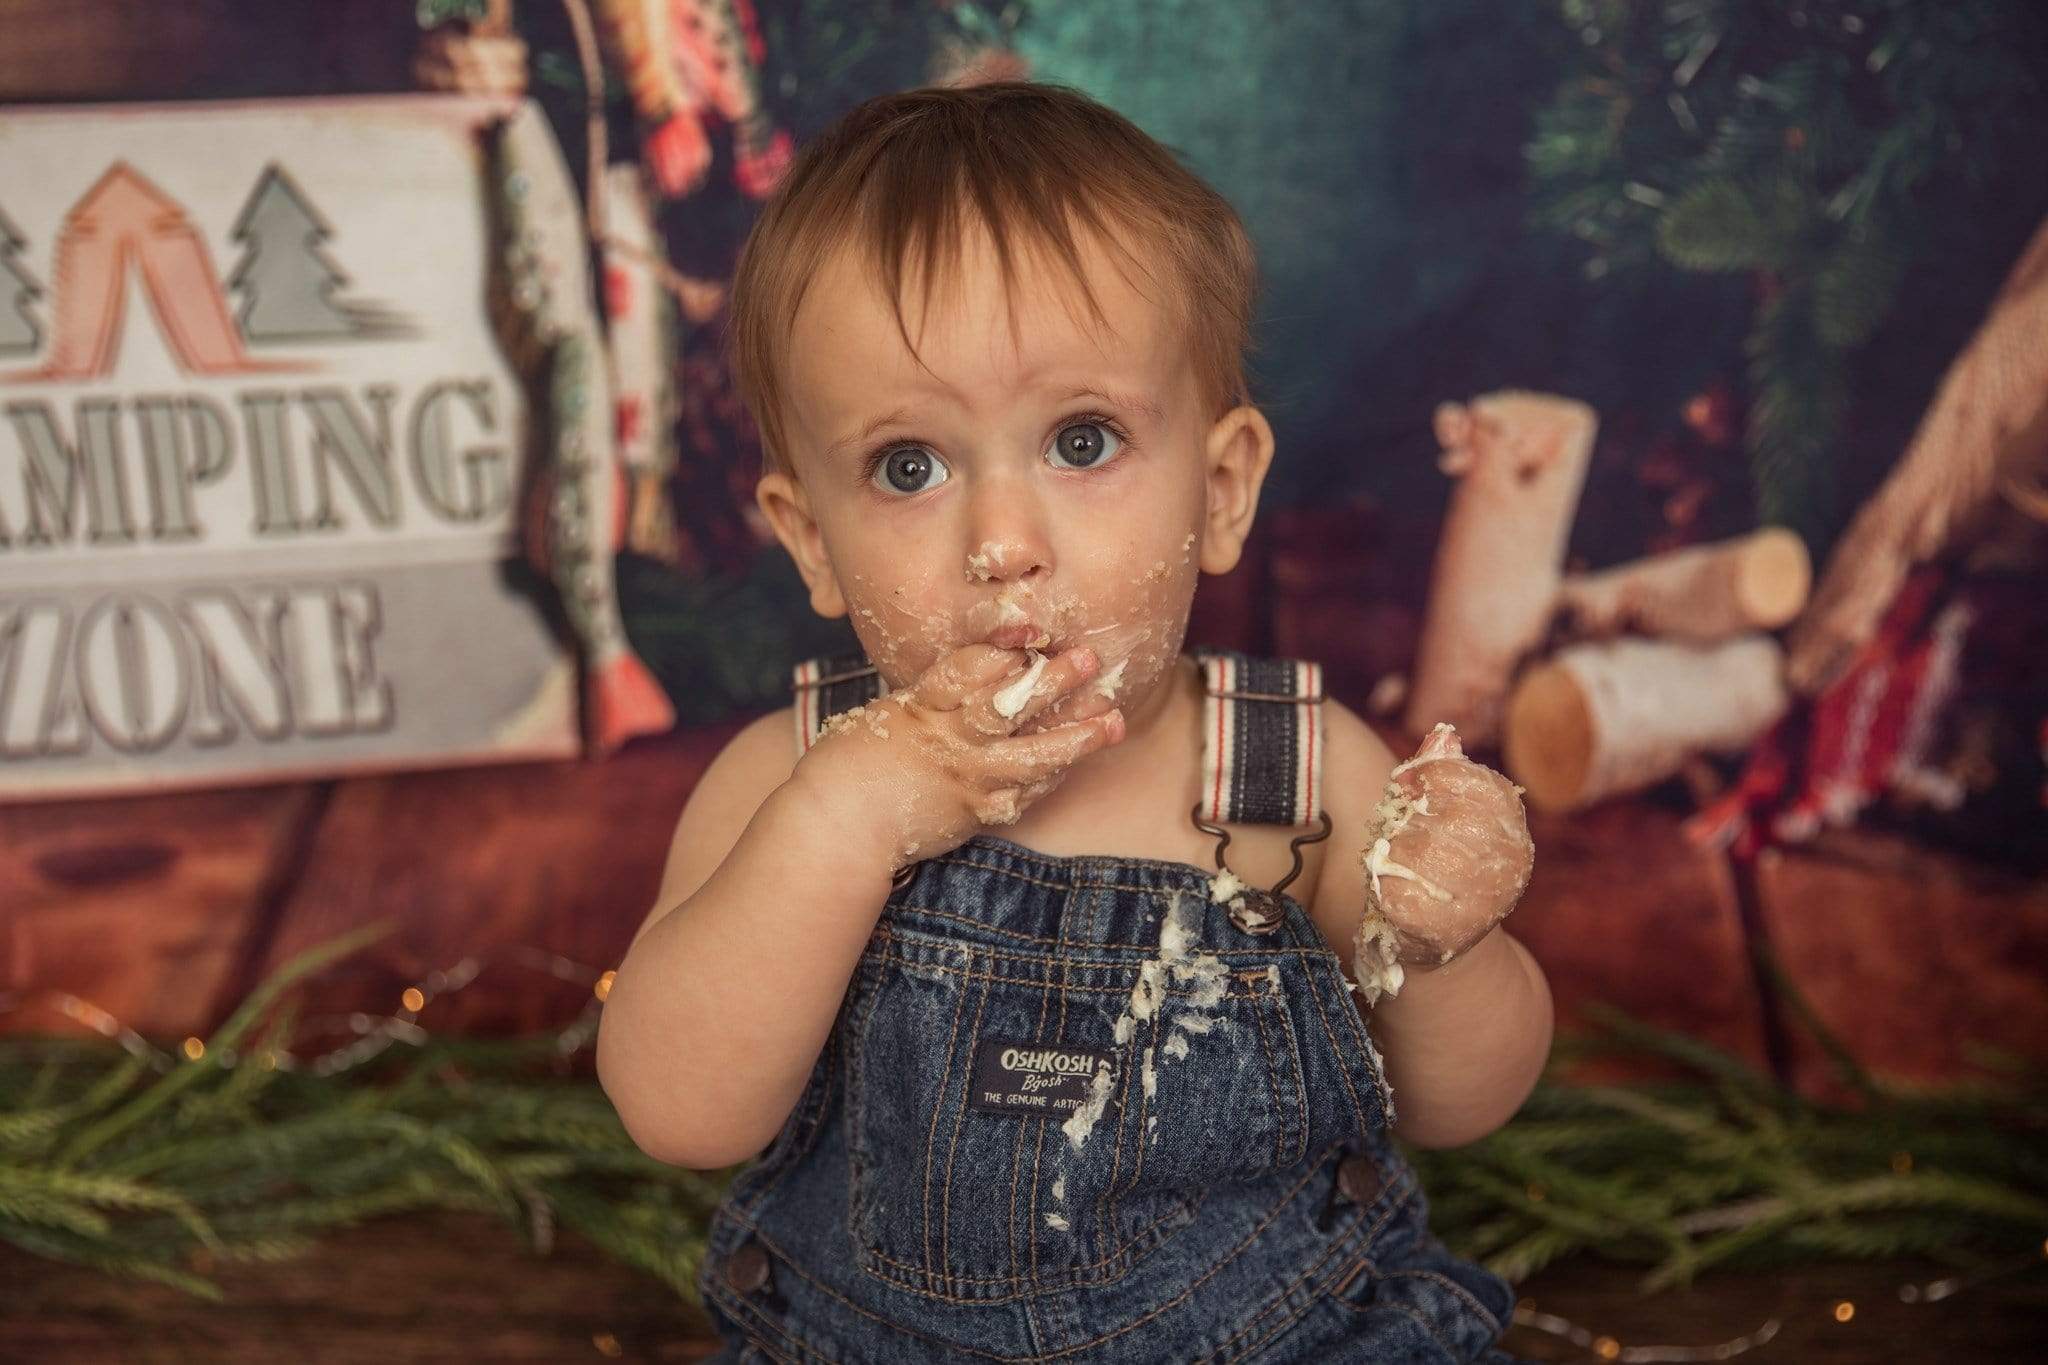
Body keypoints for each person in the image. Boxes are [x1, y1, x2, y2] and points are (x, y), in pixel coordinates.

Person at [597, 80, 1552, 1363]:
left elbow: (1460, 1105)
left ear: (1217, 494)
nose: (1002, 544)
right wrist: (849, 815)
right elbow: (679, 1111)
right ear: (810, 541)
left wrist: (1445, 946)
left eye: (1082, 440)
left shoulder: (1288, 771)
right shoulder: (792, 776)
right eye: (908, 467)